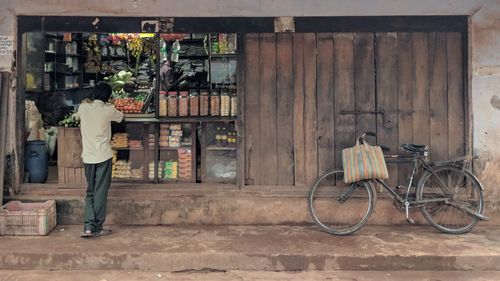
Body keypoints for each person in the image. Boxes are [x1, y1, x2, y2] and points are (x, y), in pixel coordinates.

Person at [75, 82, 124, 238]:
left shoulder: (83, 108)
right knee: (100, 192)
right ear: (108, 96)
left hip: (88, 157)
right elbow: (121, 117)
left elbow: (75, 117)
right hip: (103, 156)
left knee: (90, 191)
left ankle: (88, 227)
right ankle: (98, 227)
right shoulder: (108, 110)